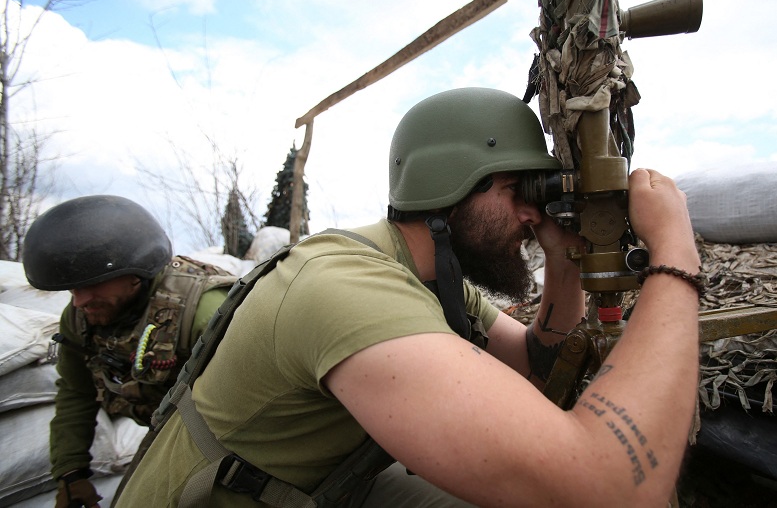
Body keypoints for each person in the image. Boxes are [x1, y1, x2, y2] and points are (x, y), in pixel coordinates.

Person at [116, 87, 701, 507]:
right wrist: (675, 252)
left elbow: (531, 363)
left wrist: (561, 260)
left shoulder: (424, 278)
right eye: (518, 189)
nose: (532, 211)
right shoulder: (346, 289)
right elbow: (612, 488)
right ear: (449, 186)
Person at [21, 195, 238, 508]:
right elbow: (75, 391)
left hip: (225, 438)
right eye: (72, 289)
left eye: (93, 284)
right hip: (165, 430)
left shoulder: (204, 312)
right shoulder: (81, 317)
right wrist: (70, 471)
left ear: (136, 272)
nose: (80, 301)